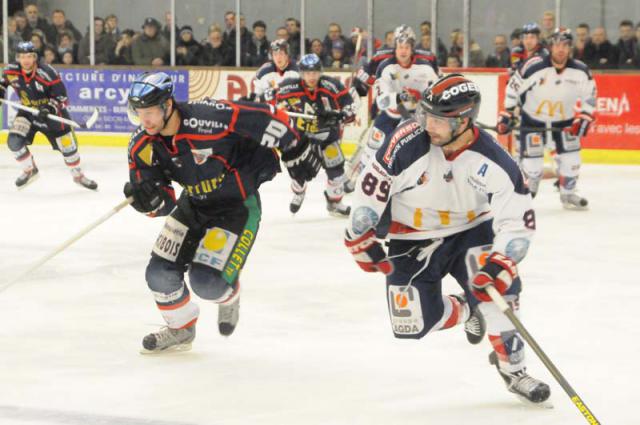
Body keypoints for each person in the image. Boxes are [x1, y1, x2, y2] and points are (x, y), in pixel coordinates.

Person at [344, 73, 550, 405]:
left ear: (465, 122)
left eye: (439, 120)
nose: (428, 125)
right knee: (411, 325)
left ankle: (514, 369)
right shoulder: (407, 143)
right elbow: (371, 190)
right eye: (426, 115)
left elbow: (518, 220)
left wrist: (502, 263)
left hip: (471, 231)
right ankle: (467, 308)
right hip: (409, 237)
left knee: (501, 293)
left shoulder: (494, 160)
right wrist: (358, 235)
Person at [124, 72, 321, 353]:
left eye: (151, 112)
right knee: (158, 274)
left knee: (207, 283)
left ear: (168, 105)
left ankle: (230, 297)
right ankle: (181, 328)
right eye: (139, 113)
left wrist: (294, 146)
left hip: (236, 209)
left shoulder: (208, 117)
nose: (145, 121)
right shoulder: (142, 145)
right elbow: (164, 202)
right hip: (192, 207)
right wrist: (149, 201)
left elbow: (268, 115)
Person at [498, 28, 596, 209]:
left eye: (565, 45)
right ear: (550, 47)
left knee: (572, 161)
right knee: (533, 168)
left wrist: (585, 115)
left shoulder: (580, 71)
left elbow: (590, 96)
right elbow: (513, 88)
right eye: (557, 44)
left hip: (564, 121)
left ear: (570, 48)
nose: (561, 49)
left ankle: (568, 194)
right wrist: (508, 113)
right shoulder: (533, 66)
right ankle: (529, 190)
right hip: (533, 121)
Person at [347, 25, 439, 192]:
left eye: (406, 47)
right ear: (395, 47)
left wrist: (422, 97)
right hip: (390, 115)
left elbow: (437, 93)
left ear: (412, 48)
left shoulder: (426, 67)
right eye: (400, 47)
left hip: (415, 118)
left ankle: (409, 184)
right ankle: (357, 179)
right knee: (372, 148)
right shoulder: (385, 66)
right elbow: (382, 100)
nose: (403, 51)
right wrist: (399, 97)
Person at [0, 41, 97, 189]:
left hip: (52, 114)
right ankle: (29, 170)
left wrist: (49, 108)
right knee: (14, 142)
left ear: (35, 57)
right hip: (28, 111)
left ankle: (78, 176)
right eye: (22, 56)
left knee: (69, 149)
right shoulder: (11, 70)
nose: (26, 60)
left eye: (29, 56)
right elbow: (3, 83)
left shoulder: (47, 72)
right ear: (17, 57)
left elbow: (62, 98)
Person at [275, 53, 357, 216]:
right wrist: (281, 109)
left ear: (320, 72)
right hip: (302, 138)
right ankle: (299, 192)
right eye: (307, 73)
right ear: (301, 73)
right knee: (298, 170)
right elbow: (275, 104)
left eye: (314, 73)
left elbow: (349, 104)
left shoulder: (331, 85)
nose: (311, 77)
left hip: (327, 136)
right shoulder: (289, 87)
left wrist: (342, 114)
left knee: (336, 171)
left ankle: (334, 203)